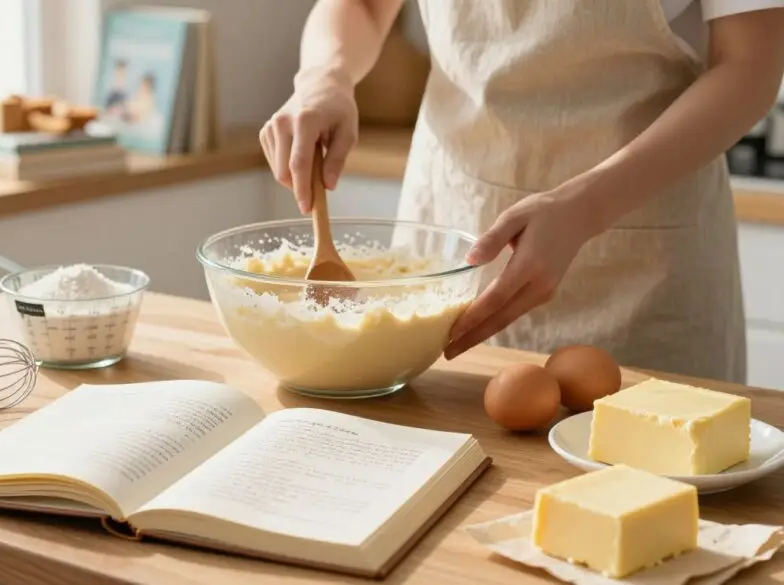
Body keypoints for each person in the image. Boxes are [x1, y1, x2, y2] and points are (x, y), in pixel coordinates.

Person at [259, 0, 784, 383]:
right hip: (452, 231)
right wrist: (324, 77)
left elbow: (750, 63)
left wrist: (586, 208)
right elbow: (365, 6)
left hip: (642, 256)